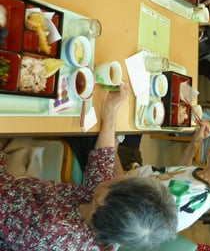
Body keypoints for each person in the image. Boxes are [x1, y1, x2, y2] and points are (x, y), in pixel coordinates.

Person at [0, 84, 178, 250]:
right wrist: (110, 110)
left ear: (103, 199)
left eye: (121, 180)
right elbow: (102, 162)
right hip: (24, 194)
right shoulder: (107, 220)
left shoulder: (51, 227)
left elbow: (3, 194)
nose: (119, 175)